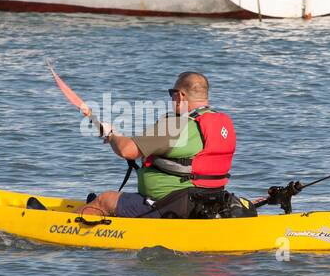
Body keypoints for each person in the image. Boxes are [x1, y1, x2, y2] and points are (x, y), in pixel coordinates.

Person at [81, 72, 236, 219]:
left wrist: (111, 134)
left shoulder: (176, 124)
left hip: (173, 204)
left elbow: (126, 150)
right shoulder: (222, 123)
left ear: (181, 96)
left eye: (172, 94)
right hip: (210, 201)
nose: (171, 99)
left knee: (105, 200)